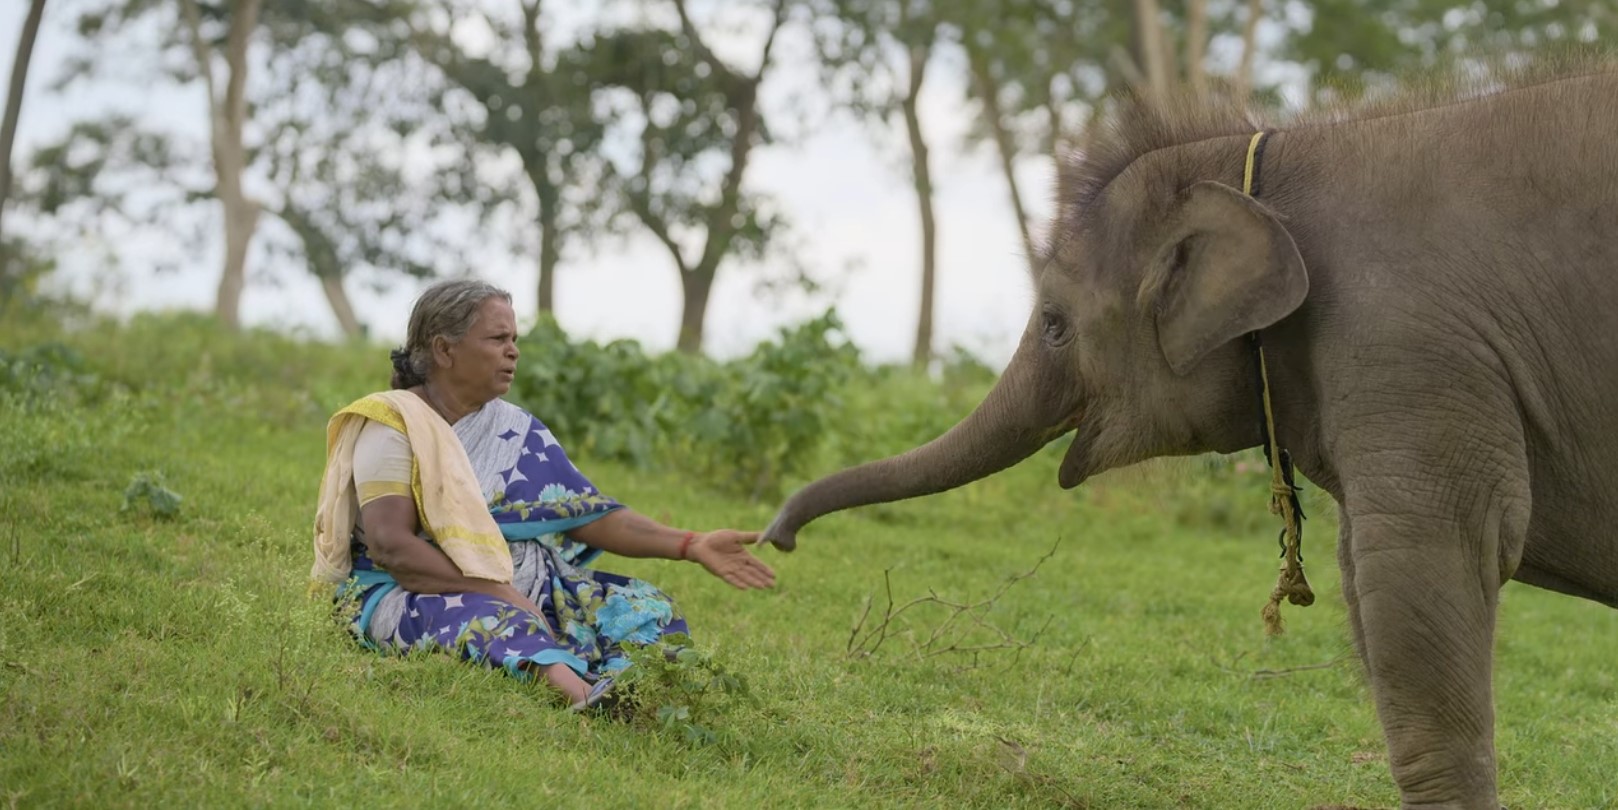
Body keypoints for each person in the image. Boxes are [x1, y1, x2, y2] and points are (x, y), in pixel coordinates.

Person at [310, 279, 775, 711]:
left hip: (519, 584)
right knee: (496, 618)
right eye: (497, 340)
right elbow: (393, 548)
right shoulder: (392, 425)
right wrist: (499, 590)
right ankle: (585, 696)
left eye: (515, 341)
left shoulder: (513, 430)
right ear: (444, 349)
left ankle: (630, 684)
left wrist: (691, 545)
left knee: (643, 606)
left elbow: (586, 513)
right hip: (408, 591)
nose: (513, 353)